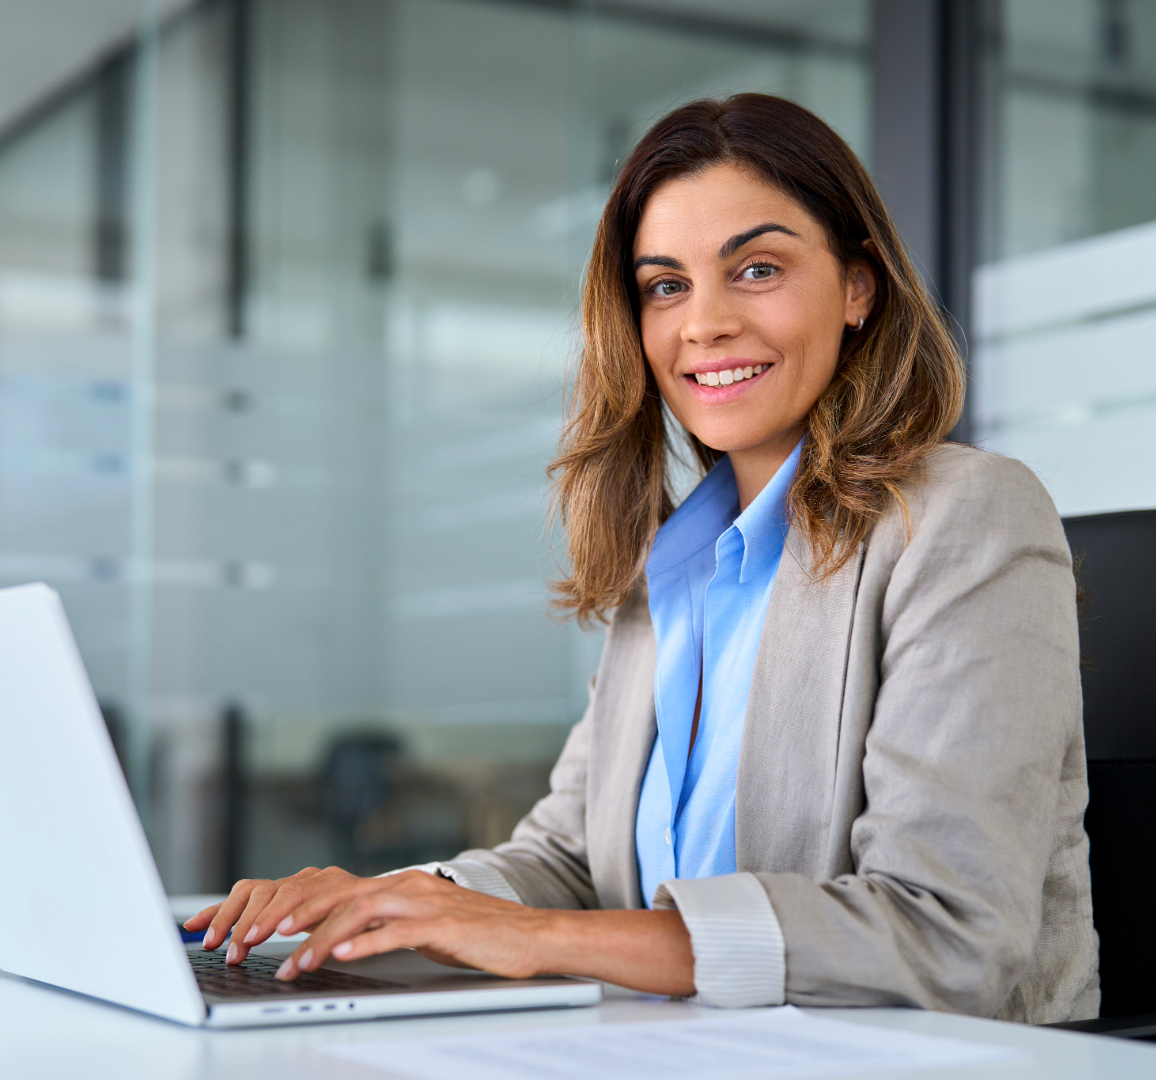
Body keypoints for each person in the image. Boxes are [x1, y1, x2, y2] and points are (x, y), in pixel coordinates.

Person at [185, 94, 1098, 1024]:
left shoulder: (964, 518)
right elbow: (571, 861)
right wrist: (391, 901)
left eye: (758, 268)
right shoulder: (673, 563)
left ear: (859, 286)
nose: (703, 324)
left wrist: (539, 940)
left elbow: (948, 936)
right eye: (665, 285)